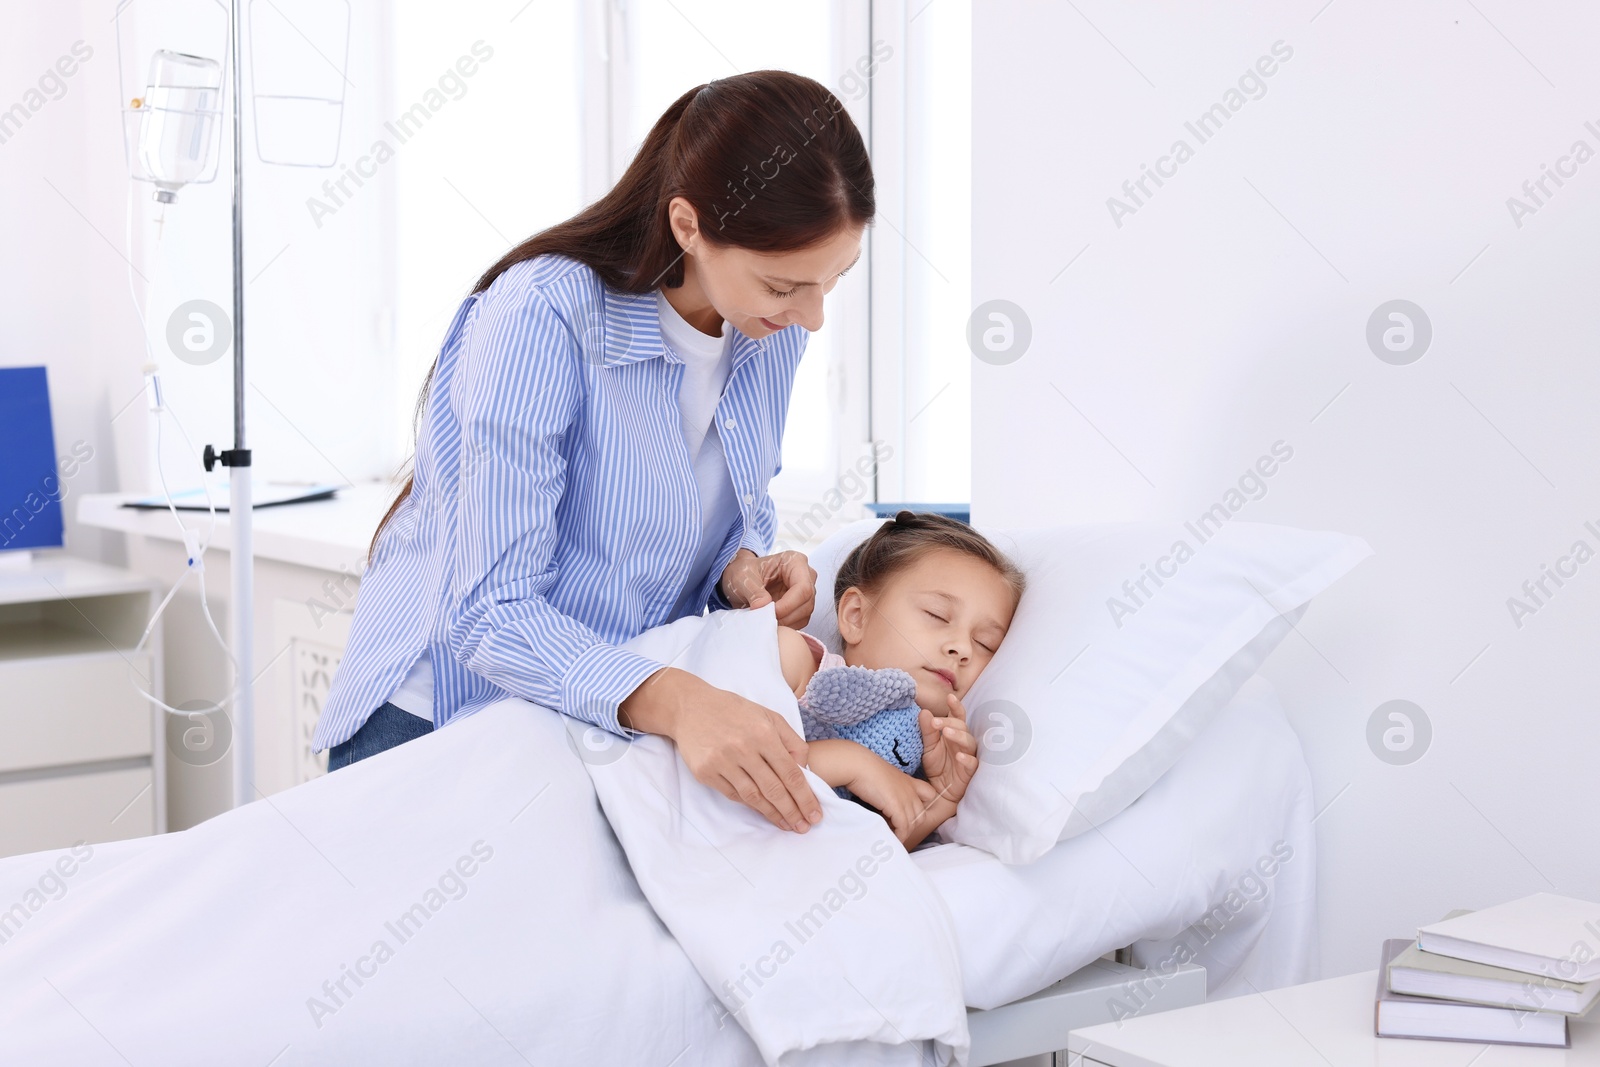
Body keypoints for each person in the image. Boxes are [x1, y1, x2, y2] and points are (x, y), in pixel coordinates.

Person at [313, 70, 873, 837]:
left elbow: (701, 506)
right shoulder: (543, 317)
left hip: (582, 725)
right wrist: (681, 701)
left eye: (831, 282)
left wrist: (738, 566)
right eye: (784, 285)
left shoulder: (767, 337)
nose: (810, 316)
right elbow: (490, 610)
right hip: (437, 720)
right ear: (688, 225)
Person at [778, 512, 1026, 848]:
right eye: (937, 615)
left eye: (985, 644)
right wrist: (852, 763)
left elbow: (870, 854)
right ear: (856, 616)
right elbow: (731, 759)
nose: (962, 648)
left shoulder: (924, 752)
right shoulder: (795, 663)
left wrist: (940, 800)